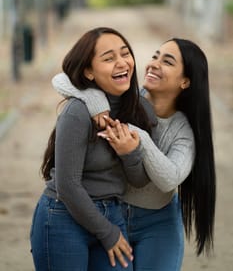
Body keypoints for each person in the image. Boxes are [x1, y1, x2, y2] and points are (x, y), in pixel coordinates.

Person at [52, 37, 216, 271]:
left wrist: (139, 138)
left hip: (158, 224)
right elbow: (62, 79)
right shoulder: (127, 97)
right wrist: (94, 98)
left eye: (167, 62)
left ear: (185, 81)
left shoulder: (185, 131)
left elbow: (169, 178)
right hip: (109, 213)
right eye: (155, 56)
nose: (154, 64)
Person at [30, 27, 159, 271]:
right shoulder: (78, 112)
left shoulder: (140, 109)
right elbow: (68, 185)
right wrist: (107, 233)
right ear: (89, 71)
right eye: (109, 58)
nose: (122, 63)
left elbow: (140, 180)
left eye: (125, 54)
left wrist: (128, 153)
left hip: (112, 211)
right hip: (62, 216)